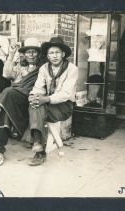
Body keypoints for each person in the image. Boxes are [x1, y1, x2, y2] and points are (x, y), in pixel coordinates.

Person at [0, 38, 43, 166]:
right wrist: (11, 55)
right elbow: (6, 74)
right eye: (28, 52)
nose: (31, 55)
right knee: (4, 109)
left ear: (38, 54)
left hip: (29, 102)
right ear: (24, 54)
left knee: (8, 91)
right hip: (14, 101)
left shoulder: (43, 68)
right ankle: (0, 151)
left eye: (34, 52)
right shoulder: (20, 67)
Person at [27, 36, 79, 166]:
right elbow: (38, 87)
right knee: (35, 104)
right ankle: (38, 146)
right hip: (47, 103)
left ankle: (38, 146)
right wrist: (34, 96)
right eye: (51, 53)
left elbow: (66, 94)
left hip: (64, 106)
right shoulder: (44, 68)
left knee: (38, 107)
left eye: (57, 52)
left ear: (63, 54)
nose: (54, 56)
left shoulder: (72, 69)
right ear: (47, 56)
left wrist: (45, 99)